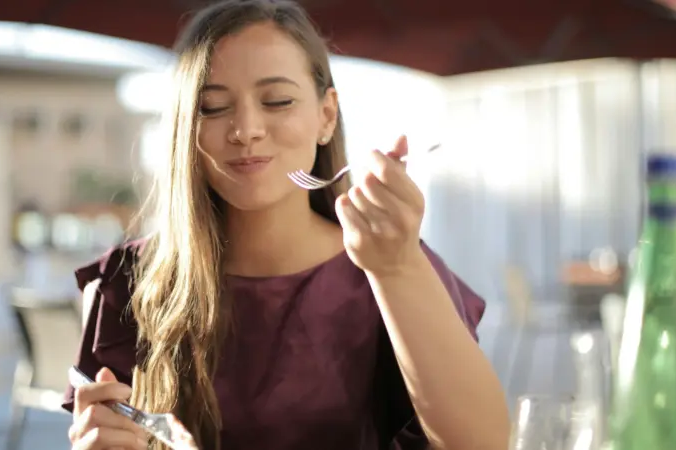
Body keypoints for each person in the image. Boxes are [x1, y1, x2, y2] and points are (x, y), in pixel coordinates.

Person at [62, 0, 509, 449]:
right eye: (213, 108)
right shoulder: (127, 281)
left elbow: (482, 442)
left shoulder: (390, 265)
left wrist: (397, 267)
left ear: (326, 116)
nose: (246, 129)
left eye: (277, 101)